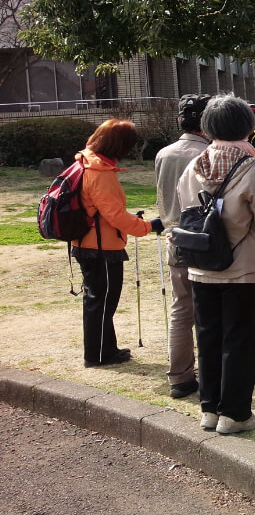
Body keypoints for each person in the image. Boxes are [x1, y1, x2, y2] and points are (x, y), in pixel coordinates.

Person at [176, 94, 255, 435]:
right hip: (242, 268)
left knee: (208, 335)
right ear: (248, 126)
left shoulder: (194, 165)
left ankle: (209, 408)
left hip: (200, 262)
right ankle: (236, 414)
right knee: (239, 338)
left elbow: (182, 210)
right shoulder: (252, 166)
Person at [73, 119, 162, 367]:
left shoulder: (84, 162)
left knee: (97, 300)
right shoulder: (100, 172)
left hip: (86, 242)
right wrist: (148, 226)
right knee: (102, 302)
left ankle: (105, 349)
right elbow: (115, 215)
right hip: (102, 247)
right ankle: (98, 355)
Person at [153, 94, 211, 397]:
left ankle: (179, 376)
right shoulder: (208, 154)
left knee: (180, 308)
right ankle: (214, 375)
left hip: (174, 236)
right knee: (210, 309)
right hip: (204, 239)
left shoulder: (164, 153)